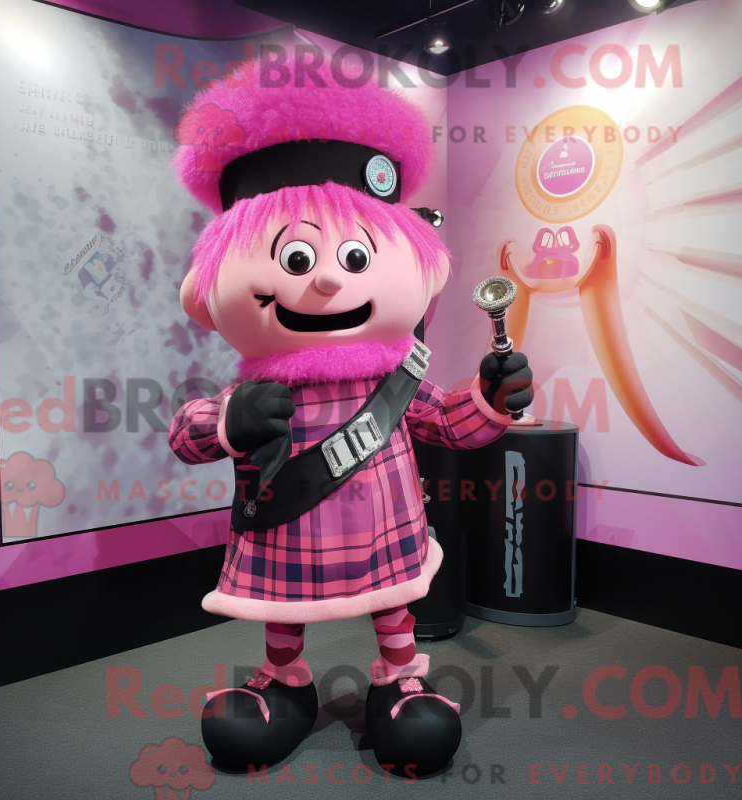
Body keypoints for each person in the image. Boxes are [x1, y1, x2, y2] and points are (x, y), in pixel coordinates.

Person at [169, 52, 533, 775]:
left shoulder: (396, 377)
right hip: (287, 530)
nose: (330, 279)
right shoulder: (255, 390)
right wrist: (230, 422)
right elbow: (187, 433)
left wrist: (490, 399)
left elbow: (446, 422)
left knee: (394, 606)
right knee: (284, 607)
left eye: (356, 259)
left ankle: (399, 679)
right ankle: (285, 681)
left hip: (384, 537)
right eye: (297, 259)